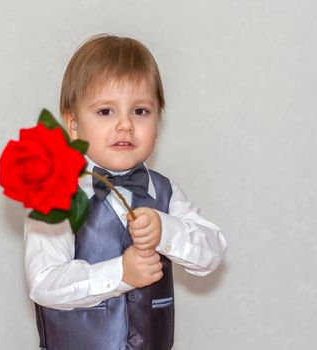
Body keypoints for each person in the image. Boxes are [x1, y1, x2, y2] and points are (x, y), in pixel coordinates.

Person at [24, 34, 227, 350]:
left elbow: (212, 253)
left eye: (141, 111)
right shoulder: (54, 195)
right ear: (73, 123)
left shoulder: (165, 191)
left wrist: (167, 231)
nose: (126, 125)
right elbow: (44, 283)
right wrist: (121, 272)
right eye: (106, 111)